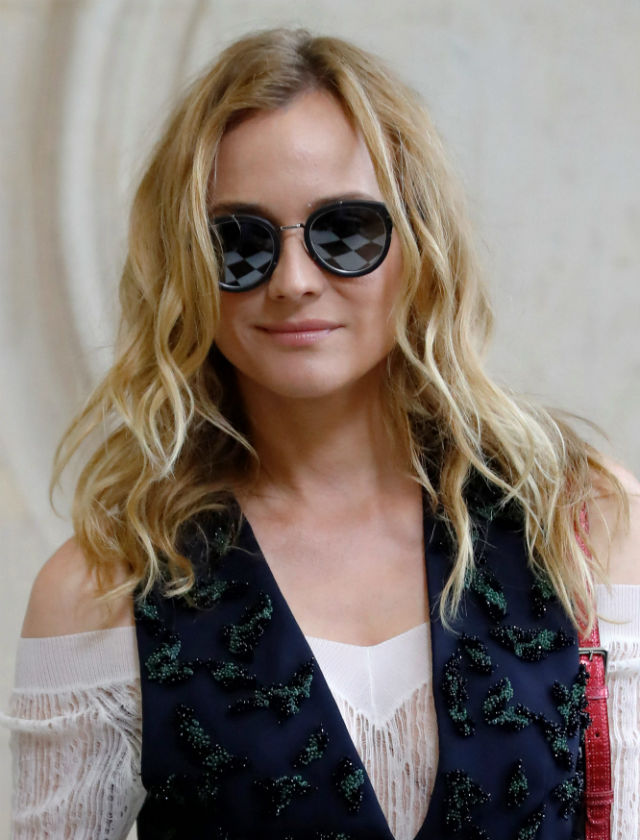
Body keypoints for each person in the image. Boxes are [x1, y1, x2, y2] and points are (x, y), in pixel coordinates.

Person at [4, 27, 639, 840]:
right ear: (185, 268)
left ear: (420, 244)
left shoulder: (581, 522)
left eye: (345, 231)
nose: (294, 281)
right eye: (239, 243)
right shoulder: (105, 588)